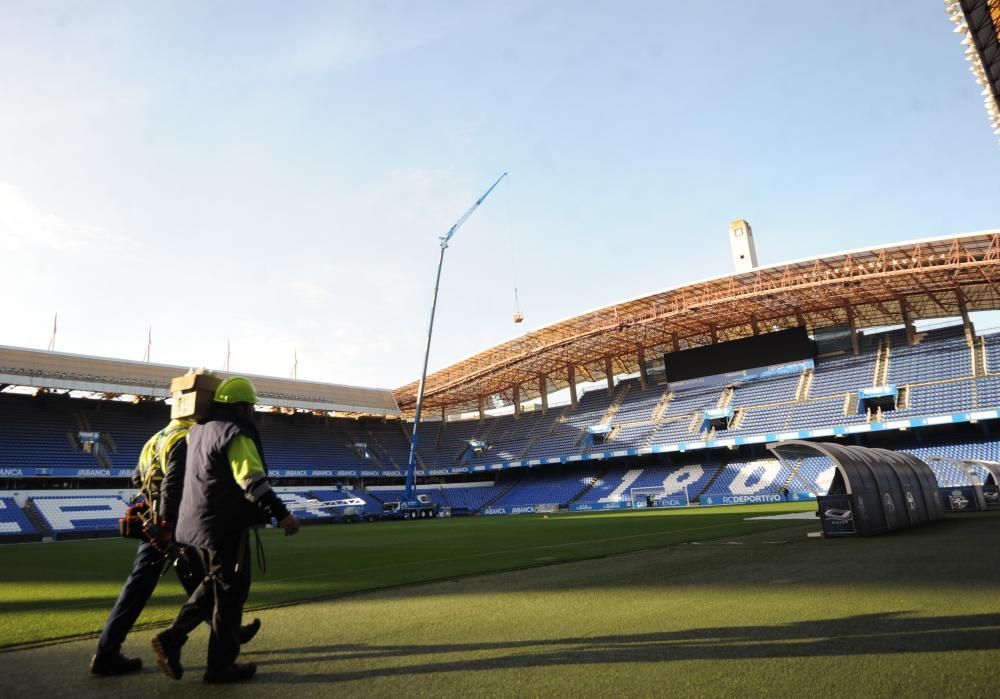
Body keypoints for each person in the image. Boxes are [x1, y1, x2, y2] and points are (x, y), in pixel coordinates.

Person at [152, 376, 300, 684]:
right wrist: (282, 514)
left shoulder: (196, 431)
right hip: (224, 526)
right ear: (243, 407)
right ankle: (220, 666)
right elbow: (252, 481)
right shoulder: (235, 433)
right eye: (251, 407)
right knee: (232, 593)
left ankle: (174, 637)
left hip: (194, 526)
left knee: (215, 585)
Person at [90, 417, 262, 677]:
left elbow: (138, 477)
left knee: (150, 585)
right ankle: (199, 638)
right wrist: (168, 525)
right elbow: (174, 484)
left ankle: (107, 653)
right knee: (211, 579)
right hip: (174, 523)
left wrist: (156, 514)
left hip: (153, 519)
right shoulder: (185, 437)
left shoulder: (156, 439)